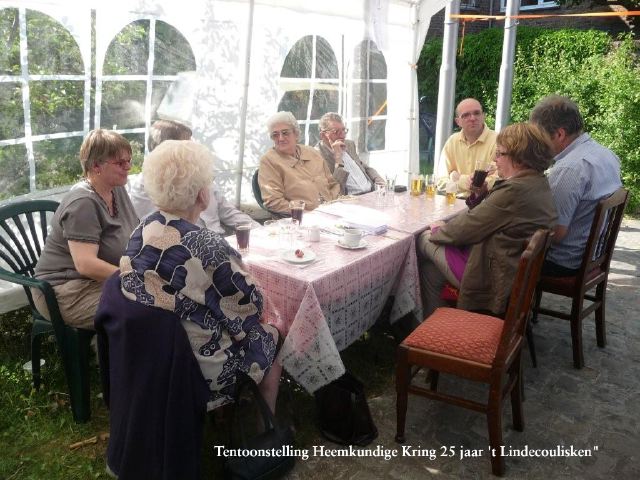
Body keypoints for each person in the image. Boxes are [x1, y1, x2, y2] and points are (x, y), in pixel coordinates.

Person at [120, 140, 282, 412]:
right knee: (274, 335)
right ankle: (264, 424)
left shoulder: (144, 229)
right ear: (201, 194)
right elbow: (251, 308)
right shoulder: (207, 246)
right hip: (202, 365)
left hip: (154, 355)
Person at [418, 122, 557, 317]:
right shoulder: (536, 182)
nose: (494, 158)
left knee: (422, 239)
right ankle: (435, 328)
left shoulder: (514, 191)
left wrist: (437, 229)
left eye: (499, 153)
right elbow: (490, 217)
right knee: (430, 271)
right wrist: (480, 195)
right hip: (509, 270)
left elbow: (466, 229)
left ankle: (412, 318)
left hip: (492, 277)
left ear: (518, 158)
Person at [33, 129, 138, 330]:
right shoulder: (83, 203)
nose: (128, 167)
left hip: (100, 281)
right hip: (66, 291)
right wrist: (136, 279)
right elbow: (86, 265)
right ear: (96, 165)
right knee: (141, 311)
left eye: (129, 160)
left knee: (161, 301)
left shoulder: (116, 188)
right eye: (120, 163)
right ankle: (118, 360)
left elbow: (135, 232)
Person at [530, 94, 622, 277]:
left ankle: (509, 304)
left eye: (539, 136)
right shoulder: (607, 154)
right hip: (593, 254)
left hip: (564, 261)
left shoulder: (569, 168)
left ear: (559, 134)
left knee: (496, 249)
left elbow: (555, 234)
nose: (537, 143)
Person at [127, 119, 259, 234]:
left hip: (218, 242)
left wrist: (262, 231)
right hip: (185, 250)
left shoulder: (199, 174)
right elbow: (154, 227)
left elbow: (228, 211)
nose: (194, 148)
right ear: (168, 151)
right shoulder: (149, 185)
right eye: (188, 144)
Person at [258, 111, 340, 214]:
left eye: (285, 133)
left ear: (296, 134)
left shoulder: (312, 152)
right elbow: (274, 201)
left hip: (331, 211)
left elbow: (333, 184)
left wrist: (333, 204)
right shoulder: (269, 161)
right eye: (275, 135)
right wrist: (305, 213)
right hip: (302, 219)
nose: (280, 138)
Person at [436, 98, 498, 196]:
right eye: (466, 115)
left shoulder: (498, 141)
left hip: (484, 203)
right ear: (458, 121)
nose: (472, 118)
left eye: (477, 113)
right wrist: (466, 182)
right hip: (454, 202)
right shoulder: (452, 141)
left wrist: (457, 178)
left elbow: (496, 181)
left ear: (483, 116)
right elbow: (440, 182)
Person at [316, 112, 385, 195]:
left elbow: (364, 167)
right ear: (323, 135)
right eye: (336, 132)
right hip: (350, 200)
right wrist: (338, 159)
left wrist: (378, 179)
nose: (342, 136)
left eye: (343, 130)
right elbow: (333, 191)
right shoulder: (317, 156)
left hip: (372, 192)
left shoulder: (349, 144)